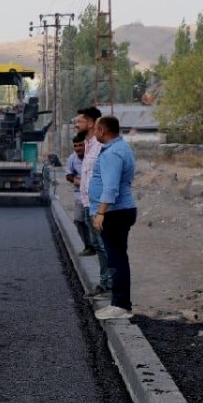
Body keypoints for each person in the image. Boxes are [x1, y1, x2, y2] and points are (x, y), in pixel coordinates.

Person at [89, 115, 138, 320]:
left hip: (114, 212)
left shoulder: (112, 153)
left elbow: (110, 187)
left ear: (103, 131)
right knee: (118, 257)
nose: (94, 133)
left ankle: (120, 305)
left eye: (96, 130)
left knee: (116, 259)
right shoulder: (121, 148)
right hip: (120, 210)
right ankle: (121, 303)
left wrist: (100, 212)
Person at [76, 105, 111, 298]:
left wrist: (102, 209)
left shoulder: (100, 147)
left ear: (90, 123)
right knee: (98, 245)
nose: (76, 125)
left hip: (98, 205)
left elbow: (106, 178)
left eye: (79, 122)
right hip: (89, 203)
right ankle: (105, 282)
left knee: (104, 245)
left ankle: (108, 284)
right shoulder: (87, 146)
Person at [66, 131, 96, 256]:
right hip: (79, 194)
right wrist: (78, 181)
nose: (78, 148)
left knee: (93, 221)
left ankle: (98, 246)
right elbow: (68, 175)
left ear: (86, 145)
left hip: (94, 194)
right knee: (79, 220)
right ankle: (88, 246)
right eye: (76, 146)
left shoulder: (92, 158)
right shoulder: (72, 159)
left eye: (80, 145)